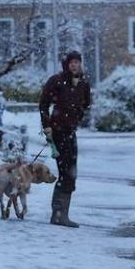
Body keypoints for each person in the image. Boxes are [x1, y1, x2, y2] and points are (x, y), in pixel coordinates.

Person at [39, 50, 91, 228]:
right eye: (72, 62)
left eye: (77, 62)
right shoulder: (57, 81)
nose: (75, 65)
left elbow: (86, 104)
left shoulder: (83, 83)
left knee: (72, 172)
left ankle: (61, 213)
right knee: (66, 172)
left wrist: (76, 117)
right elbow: (43, 104)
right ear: (66, 64)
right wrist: (47, 126)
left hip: (70, 131)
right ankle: (59, 214)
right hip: (57, 132)